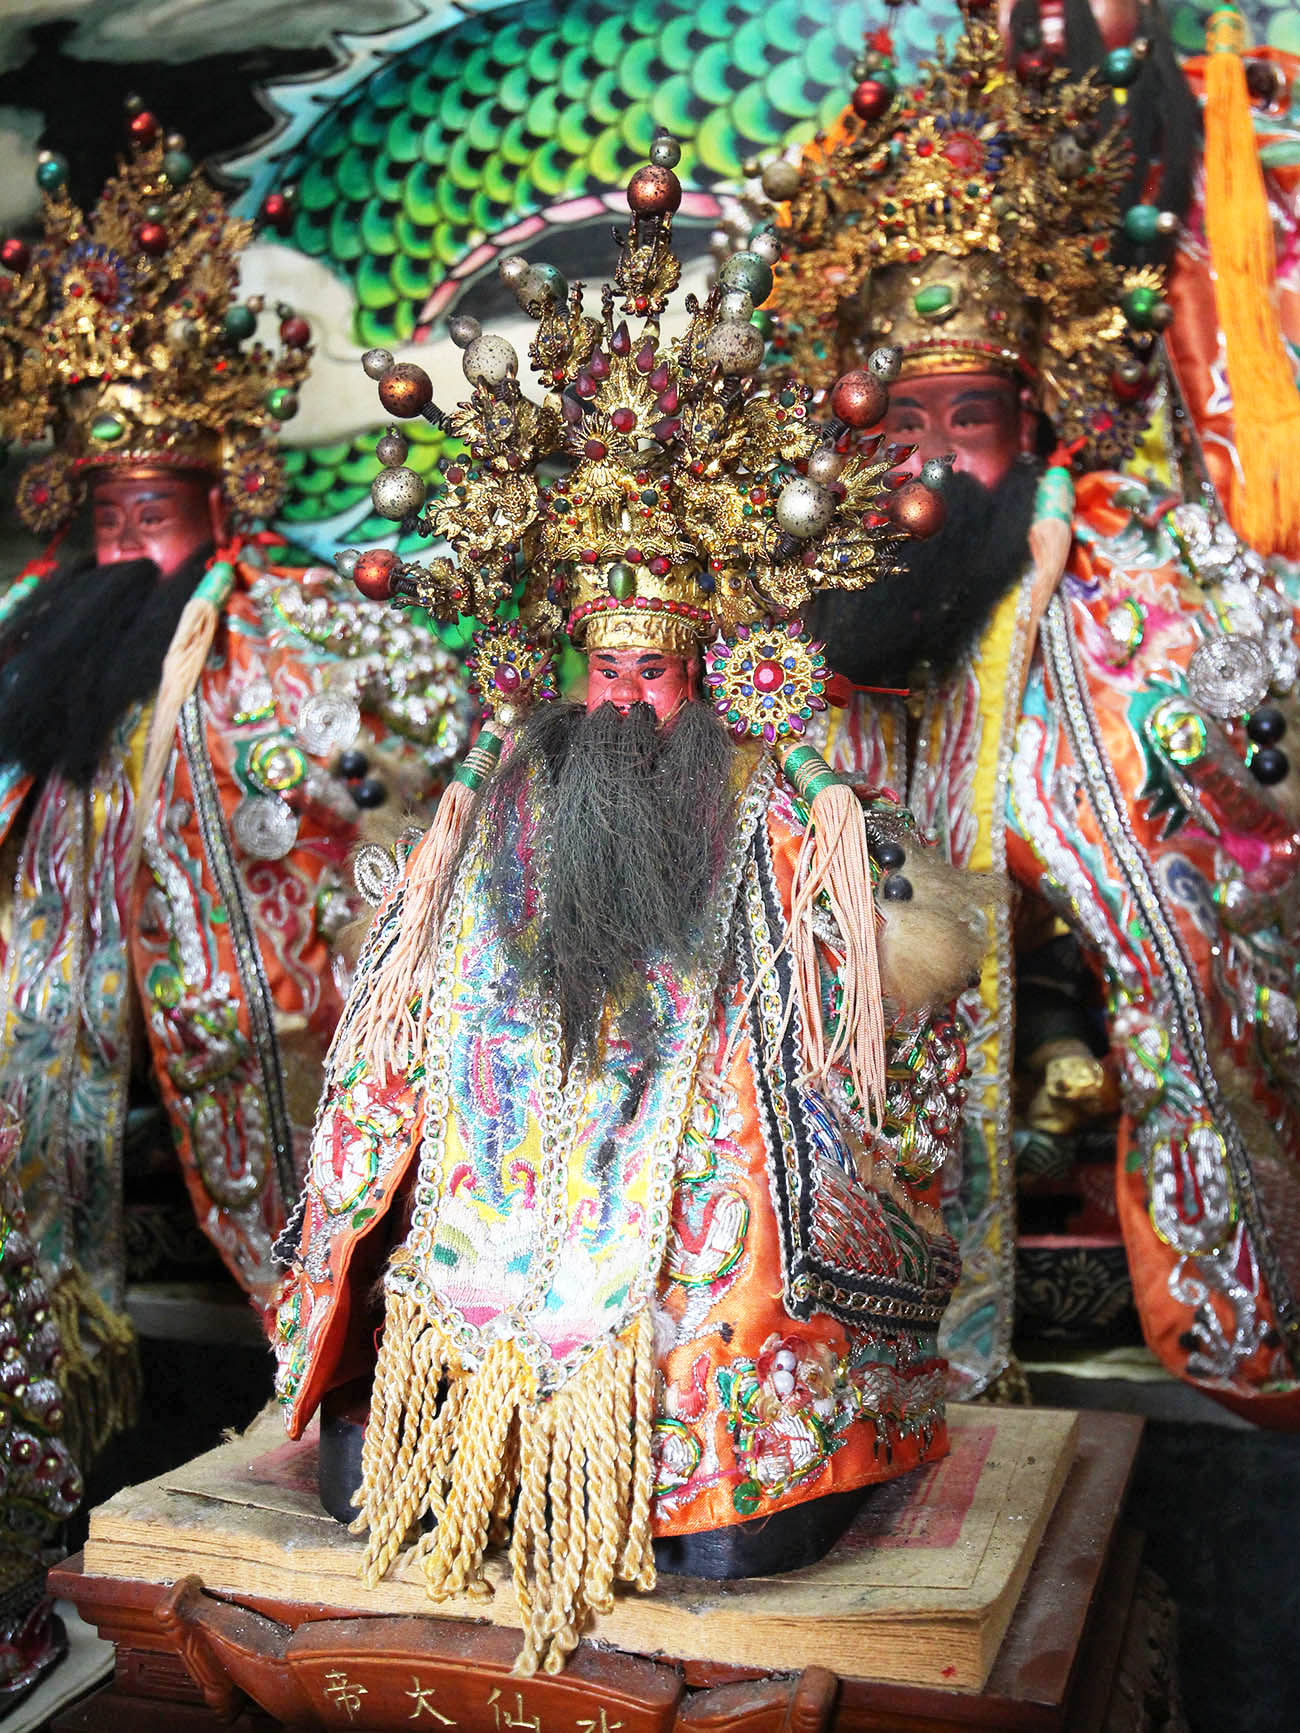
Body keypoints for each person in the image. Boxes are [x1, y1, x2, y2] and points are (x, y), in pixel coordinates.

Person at [273, 141, 993, 1674]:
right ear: (561, 662)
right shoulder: (489, 822)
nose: (630, 697)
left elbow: (886, 1040)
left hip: (698, 1268)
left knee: (745, 1263)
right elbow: (379, 1076)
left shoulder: (788, 824)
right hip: (492, 1237)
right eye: (606, 668)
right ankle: (460, 1422)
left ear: (716, 662)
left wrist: (845, 960)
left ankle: (689, 1460)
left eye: (658, 670)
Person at [754, 4, 1300, 1422]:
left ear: (1036, 418)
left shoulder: (1128, 586)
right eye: (902, 425)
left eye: (972, 420)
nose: (933, 462)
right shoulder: (797, 607)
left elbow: (1210, 891)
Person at [0, 105, 471, 1477]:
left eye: (152, 516)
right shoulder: (30, 640)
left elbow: (408, 774)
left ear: (222, 495)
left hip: (245, 1008)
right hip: (68, 1025)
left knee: (257, 1017)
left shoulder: (297, 637)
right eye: (108, 519)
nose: (126, 548)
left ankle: (343, 1364)